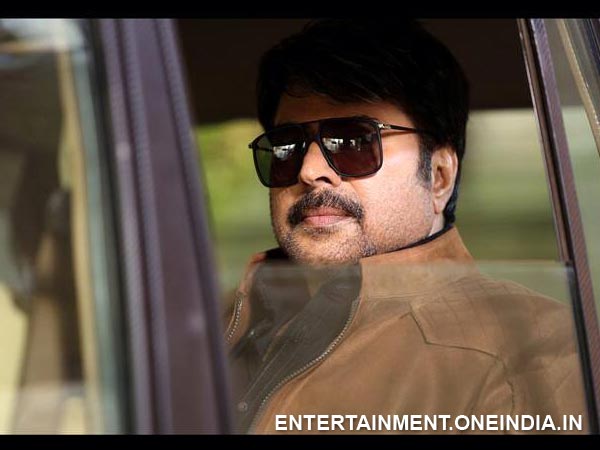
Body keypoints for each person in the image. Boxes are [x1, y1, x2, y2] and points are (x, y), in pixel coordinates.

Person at [225, 19, 588, 434]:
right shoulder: (204, 320)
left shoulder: (527, 347)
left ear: (439, 176)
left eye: (355, 142)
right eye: (287, 147)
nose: (309, 170)